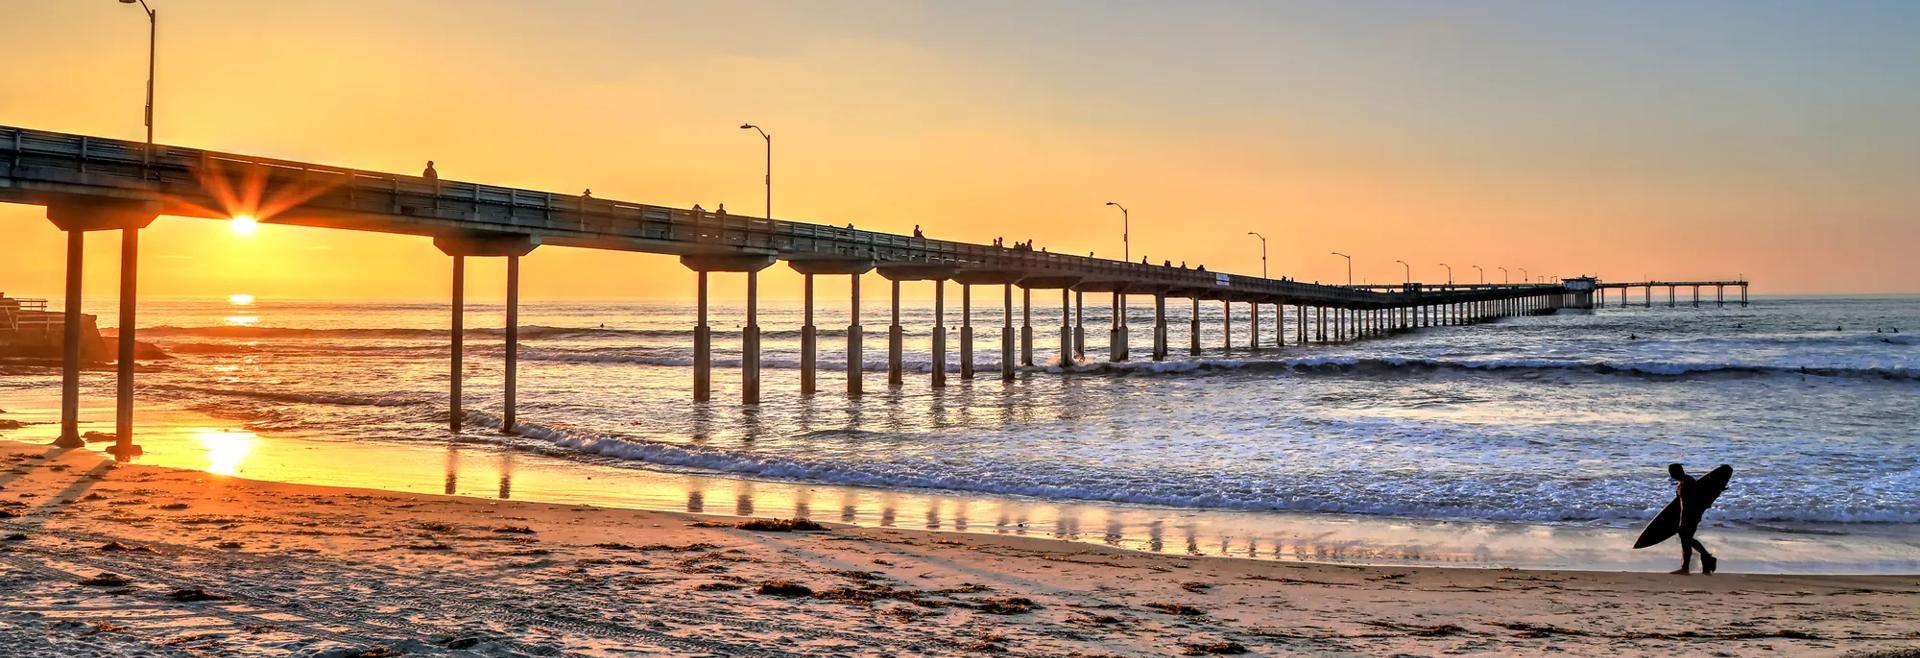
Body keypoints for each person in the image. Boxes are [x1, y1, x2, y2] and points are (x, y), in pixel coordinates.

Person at [1668, 463, 1720, 575]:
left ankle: (1706, 557)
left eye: (1671, 472)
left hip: (1691, 515)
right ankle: (1688, 567)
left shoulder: (1688, 482)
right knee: (1685, 539)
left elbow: (1698, 499)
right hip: (1686, 515)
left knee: (1686, 538)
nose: (1671, 475)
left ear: (1675, 472)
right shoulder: (1683, 482)